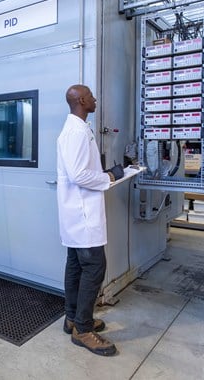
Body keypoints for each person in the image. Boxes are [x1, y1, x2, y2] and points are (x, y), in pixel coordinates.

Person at [56, 84, 124, 357]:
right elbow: (79, 175)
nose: (95, 99)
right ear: (82, 101)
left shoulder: (79, 129)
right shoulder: (75, 132)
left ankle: (72, 318)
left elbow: (82, 170)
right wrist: (109, 177)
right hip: (82, 214)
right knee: (95, 266)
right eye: (92, 96)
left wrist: (105, 172)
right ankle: (83, 329)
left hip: (76, 212)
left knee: (76, 265)